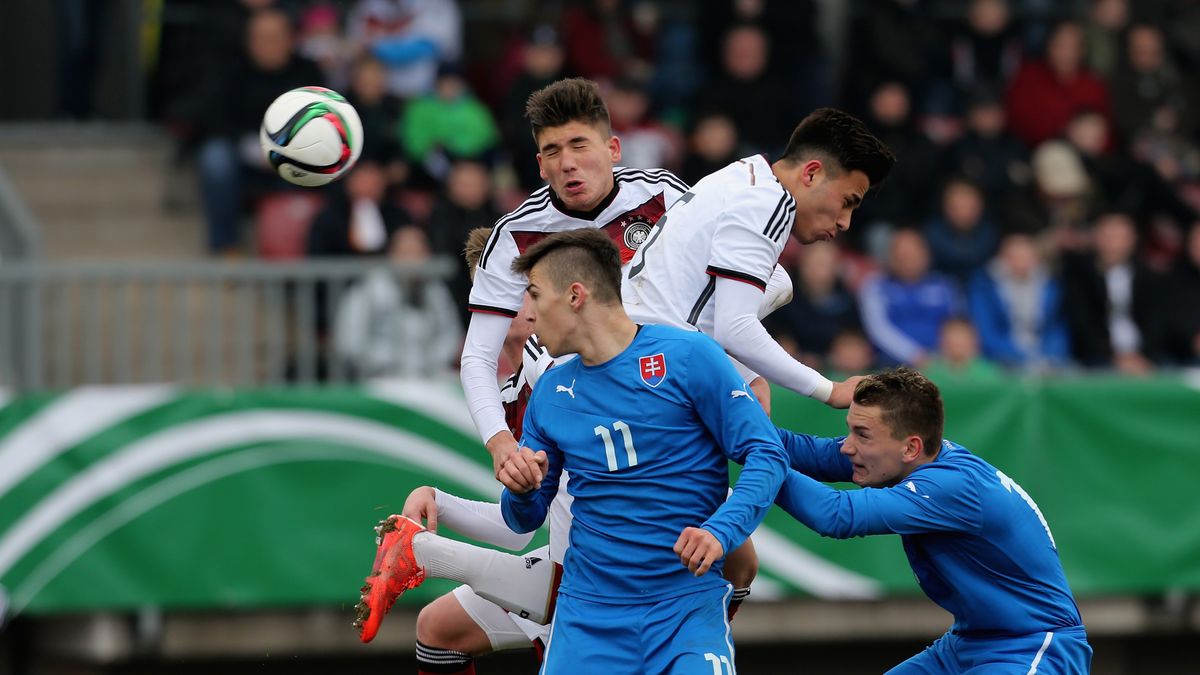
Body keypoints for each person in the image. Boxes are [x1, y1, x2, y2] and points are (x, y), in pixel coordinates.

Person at [356, 228, 762, 672]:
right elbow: (523, 523)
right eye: (486, 302)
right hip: (583, 573)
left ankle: (425, 555)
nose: (501, 313)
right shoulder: (519, 397)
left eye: (518, 294)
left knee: (737, 559)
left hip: (621, 573)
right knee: (437, 629)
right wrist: (441, 504)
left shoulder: (573, 361)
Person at [498, 230, 789, 673]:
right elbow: (526, 517)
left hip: (685, 611)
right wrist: (520, 489)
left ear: (576, 295)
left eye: (535, 295)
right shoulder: (551, 392)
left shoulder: (689, 356)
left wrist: (720, 531)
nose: (529, 314)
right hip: (587, 618)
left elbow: (767, 454)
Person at [773, 367, 1093, 673]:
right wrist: (733, 419)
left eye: (862, 434)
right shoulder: (912, 458)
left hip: (1033, 646)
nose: (847, 446)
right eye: (849, 430)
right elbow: (808, 453)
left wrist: (762, 458)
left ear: (911, 447)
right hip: (968, 645)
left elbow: (835, 515)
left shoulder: (950, 486)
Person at [624, 107, 895, 407]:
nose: (845, 222)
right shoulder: (768, 201)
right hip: (648, 376)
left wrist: (748, 375)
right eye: (847, 202)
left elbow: (718, 322)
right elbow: (735, 328)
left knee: (779, 281)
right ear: (812, 173)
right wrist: (829, 390)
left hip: (632, 353)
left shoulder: (744, 175)